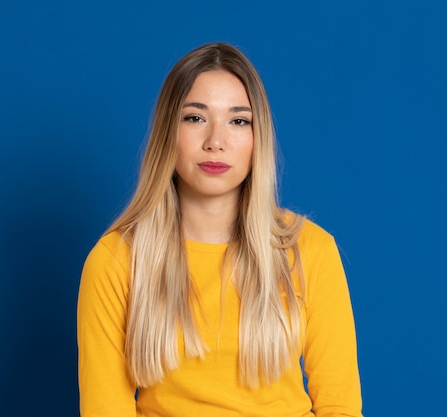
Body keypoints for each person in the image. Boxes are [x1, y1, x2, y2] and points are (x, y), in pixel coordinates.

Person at [77, 42, 363, 417]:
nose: (216, 141)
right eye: (195, 118)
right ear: (167, 132)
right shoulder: (116, 260)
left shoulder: (310, 250)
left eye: (238, 120)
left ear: (257, 137)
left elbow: (339, 407)